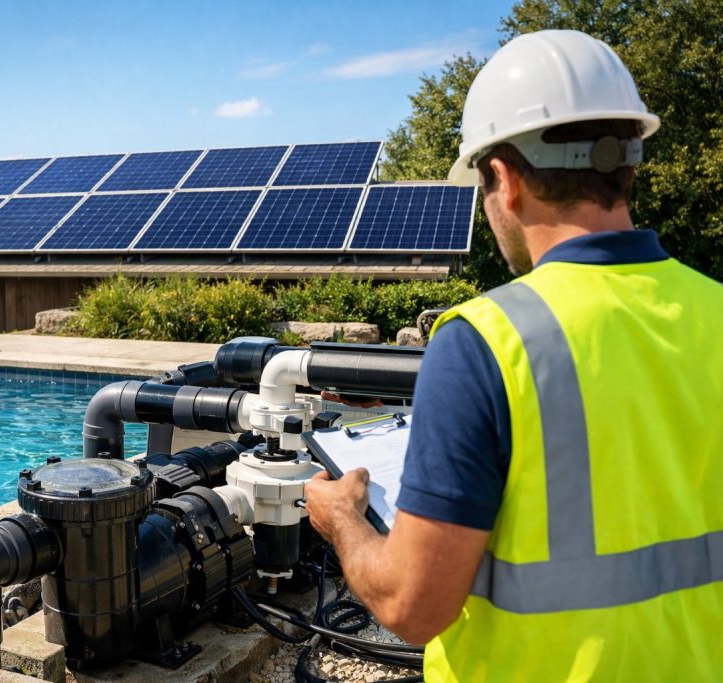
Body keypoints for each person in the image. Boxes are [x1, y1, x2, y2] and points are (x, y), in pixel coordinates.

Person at [303, 29, 723, 681]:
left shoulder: (484, 340)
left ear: (504, 178)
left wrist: (342, 521)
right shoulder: (714, 310)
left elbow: (413, 605)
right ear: (630, 163)